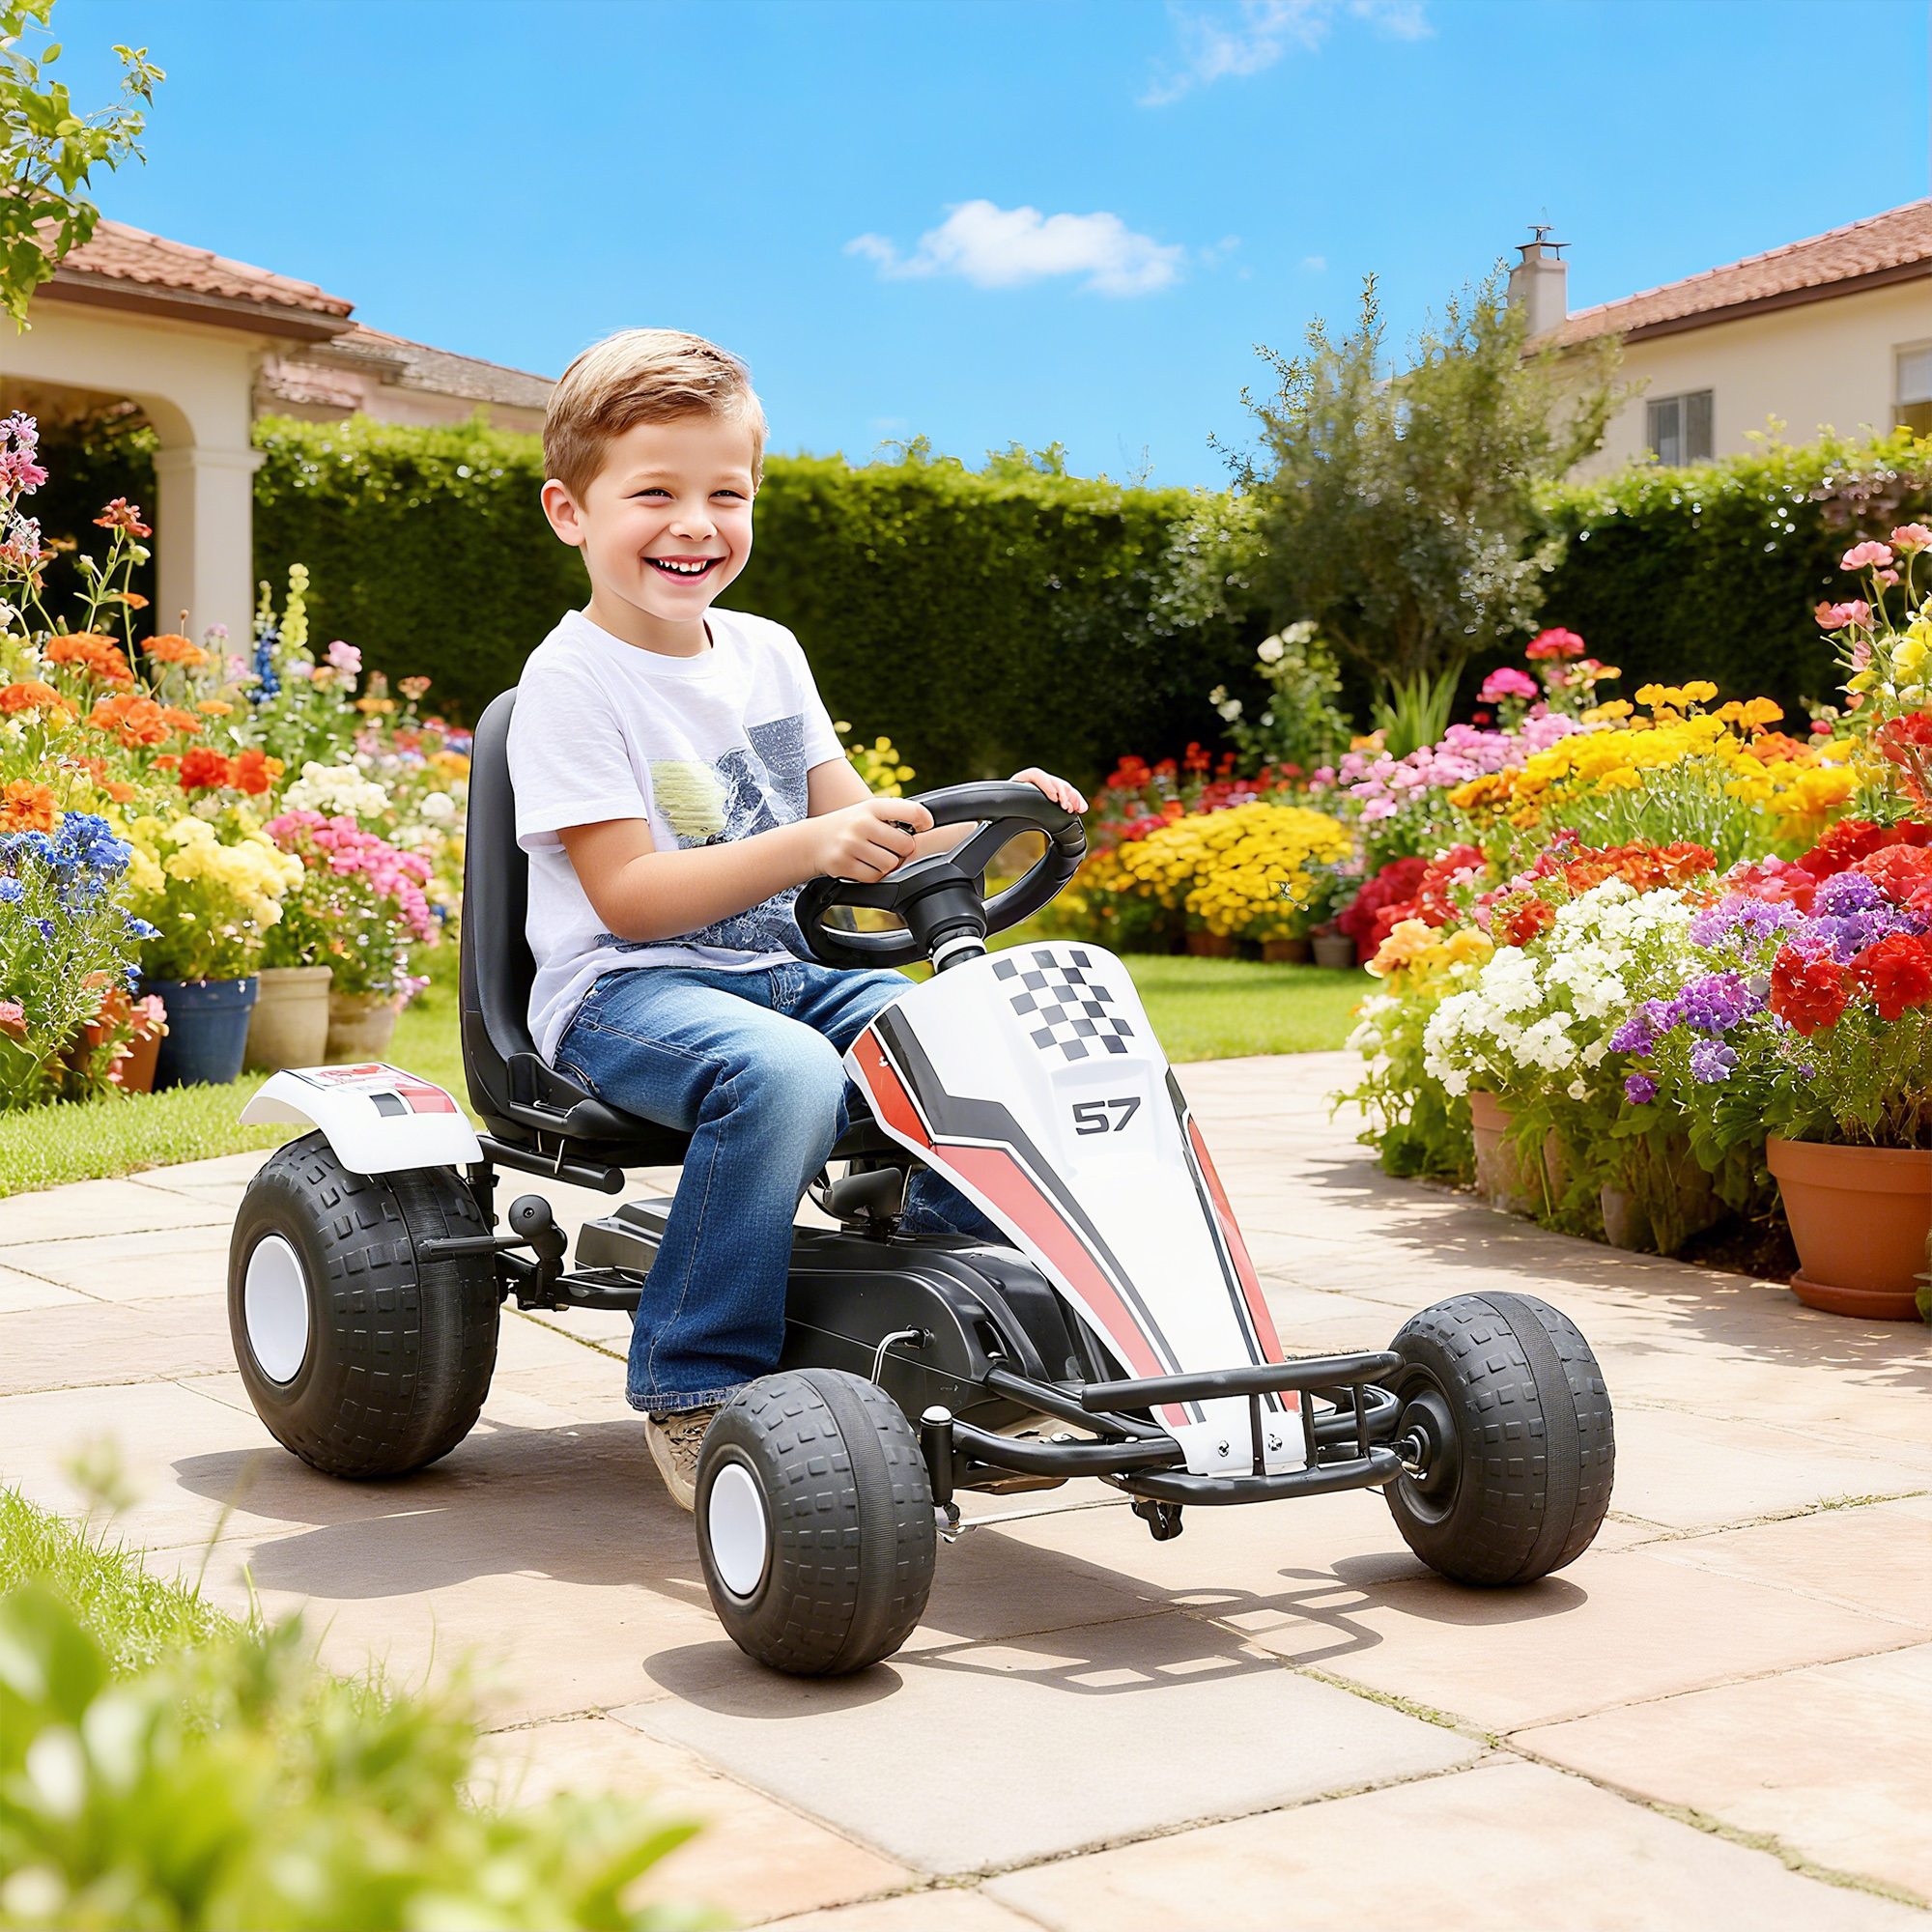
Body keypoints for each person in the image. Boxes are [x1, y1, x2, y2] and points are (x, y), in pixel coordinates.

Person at [509, 329, 1087, 1508]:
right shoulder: (569, 683)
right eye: (654, 492)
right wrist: (806, 847)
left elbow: (857, 831)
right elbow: (627, 896)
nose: (694, 523)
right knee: (783, 1076)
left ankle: (947, 1304)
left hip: (784, 968)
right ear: (571, 511)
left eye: (725, 492)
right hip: (627, 993)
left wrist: (995, 815)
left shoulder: (768, 653)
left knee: (961, 1033)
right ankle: (694, 1380)